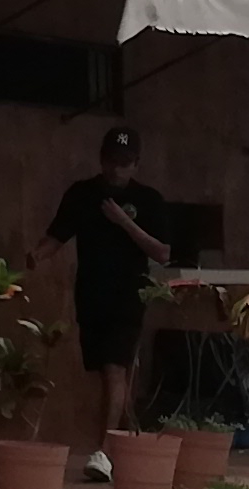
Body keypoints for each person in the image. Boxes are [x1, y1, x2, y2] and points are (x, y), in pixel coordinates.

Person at [44, 126, 179, 463]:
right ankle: (127, 443)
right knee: (103, 375)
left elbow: (162, 253)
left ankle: (104, 451)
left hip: (129, 295)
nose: (117, 169)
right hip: (91, 295)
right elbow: (57, 235)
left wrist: (124, 222)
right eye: (112, 161)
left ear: (136, 164)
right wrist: (32, 258)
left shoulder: (148, 199)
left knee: (115, 368)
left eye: (125, 163)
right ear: (102, 159)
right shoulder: (82, 194)